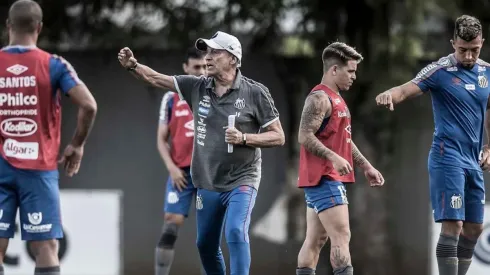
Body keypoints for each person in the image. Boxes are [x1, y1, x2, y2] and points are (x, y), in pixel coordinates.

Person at [118, 31, 285, 275]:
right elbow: (155, 79)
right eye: (206, 51)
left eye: (215, 51)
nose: (208, 57)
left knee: (236, 231)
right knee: (205, 244)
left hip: (242, 179)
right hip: (206, 180)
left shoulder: (255, 93)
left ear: (233, 59)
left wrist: (245, 138)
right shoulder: (196, 86)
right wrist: (133, 65)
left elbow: (278, 136)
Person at [375, 15, 488, 275]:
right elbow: (405, 89)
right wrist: (389, 94)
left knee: (474, 228)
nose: (469, 56)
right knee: (453, 224)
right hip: (446, 156)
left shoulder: (487, 72)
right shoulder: (439, 71)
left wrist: (489, 148)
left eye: (474, 50)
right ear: (452, 44)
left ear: (482, 43)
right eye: (463, 50)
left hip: (473, 159)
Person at [0, 1, 97, 275]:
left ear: (8, 26)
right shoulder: (53, 65)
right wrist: (76, 145)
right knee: (45, 247)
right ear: (39, 28)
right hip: (38, 169)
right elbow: (89, 105)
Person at [296, 42, 385, 275]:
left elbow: (344, 139)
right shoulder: (319, 98)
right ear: (334, 69)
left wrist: (366, 165)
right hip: (324, 177)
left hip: (321, 178)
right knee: (341, 236)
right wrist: (332, 157)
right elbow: (304, 136)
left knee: (314, 240)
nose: (354, 76)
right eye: (351, 71)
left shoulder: (337, 98)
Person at [155, 47, 206, 275]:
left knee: (210, 232)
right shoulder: (170, 98)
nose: (201, 72)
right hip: (181, 173)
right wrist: (172, 168)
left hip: (208, 174)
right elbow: (160, 140)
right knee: (170, 223)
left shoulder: (215, 93)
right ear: (185, 68)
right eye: (196, 67)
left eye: (205, 67)